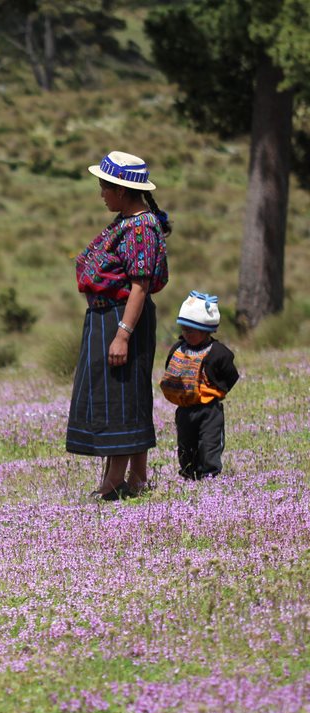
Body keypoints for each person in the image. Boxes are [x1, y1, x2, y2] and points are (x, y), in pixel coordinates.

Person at [66, 151, 171, 501]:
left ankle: (113, 483)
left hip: (122, 318)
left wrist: (122, 334)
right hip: (109, 318)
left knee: (120, 397)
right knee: (123, 394)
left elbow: (140, 285)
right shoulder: (128, 222)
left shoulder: (141, 227)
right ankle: (137, 478)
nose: (102, 194)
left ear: (122, 190)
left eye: (105, 187)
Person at [159, 291, 239, 480]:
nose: (186, 334)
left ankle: (210, 475)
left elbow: (230, 375)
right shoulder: (178, 349)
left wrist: (217, 391)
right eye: (184, 329)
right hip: (185, 409)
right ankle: (189, 474)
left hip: (208, 410)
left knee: (209, 443)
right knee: (185, 445)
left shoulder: (218, 353)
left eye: (191, 331)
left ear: (206, 330)